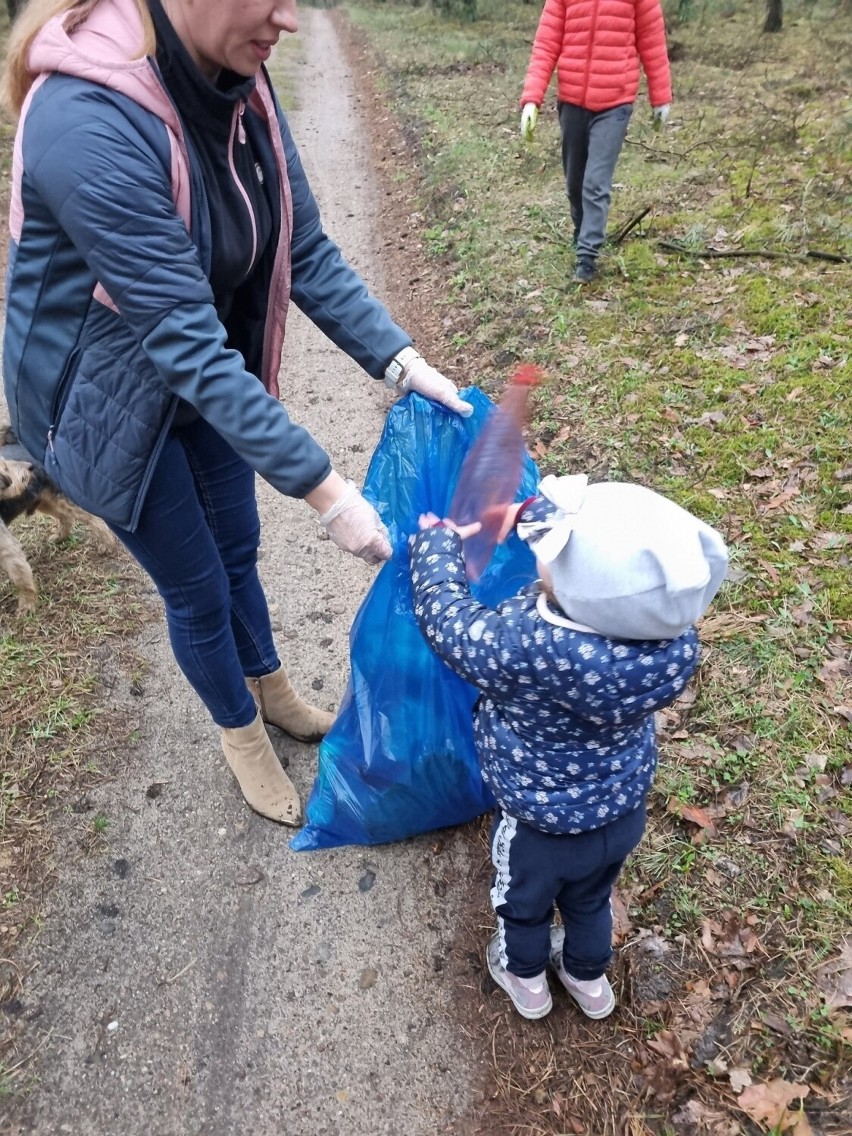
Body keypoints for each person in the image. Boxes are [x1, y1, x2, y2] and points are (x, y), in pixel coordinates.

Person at [2, 0, 472, 828]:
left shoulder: (240, 76)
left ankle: (274, 688)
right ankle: (240, 733)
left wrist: (403, 363)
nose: (290, 20)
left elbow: (306, 249)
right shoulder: (85, 119)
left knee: (240, 549)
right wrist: (330, 494)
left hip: (203, 369)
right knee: (197, 589)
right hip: (101, 407)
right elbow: (182, 341)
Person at [408, 474, 727, 1019]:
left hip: (539, 828)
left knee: (523, 907)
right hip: (620, 815)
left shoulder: (525, 649)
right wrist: (527, 513)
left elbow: (451, 626)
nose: (542, 549)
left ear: (572, 588)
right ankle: (587, 980)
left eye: (554, 552)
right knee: (590, 900)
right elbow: (603, 561)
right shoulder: (671, 645)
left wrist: (438, 550)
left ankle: (524, 978)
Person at [519, 0, 672, 284]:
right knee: (575, 182)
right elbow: (546, 43)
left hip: (616, 102)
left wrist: (660, 96)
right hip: (573, 101)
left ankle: (587, 256)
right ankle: (581, 229)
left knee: (595, 182)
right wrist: (532, 98)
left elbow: (652, 40)